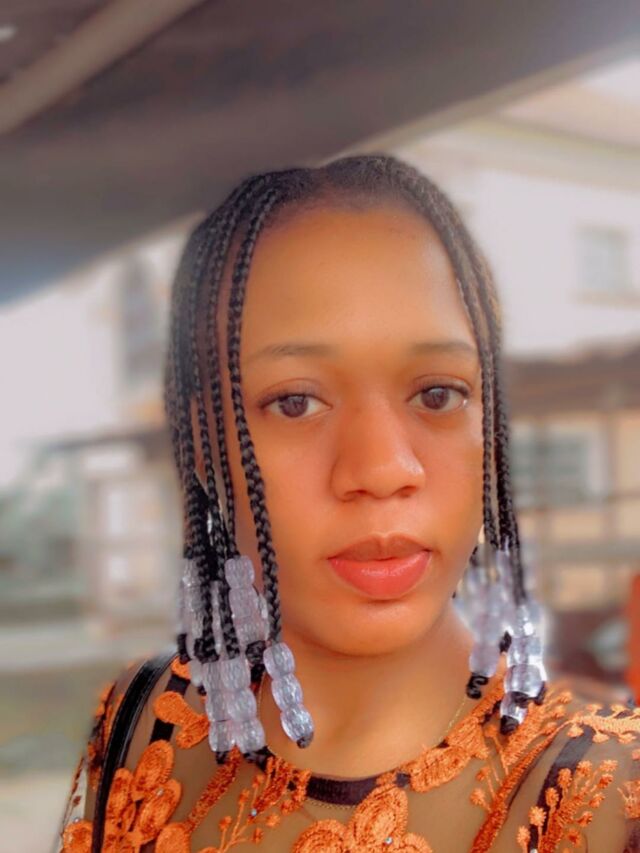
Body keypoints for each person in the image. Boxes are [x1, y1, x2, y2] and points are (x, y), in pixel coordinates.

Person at [58, 155, 640, 852]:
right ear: (207, 446)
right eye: (295, 402)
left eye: (438, 394)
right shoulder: (138, 719)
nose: (383, 469)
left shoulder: (612, 799)